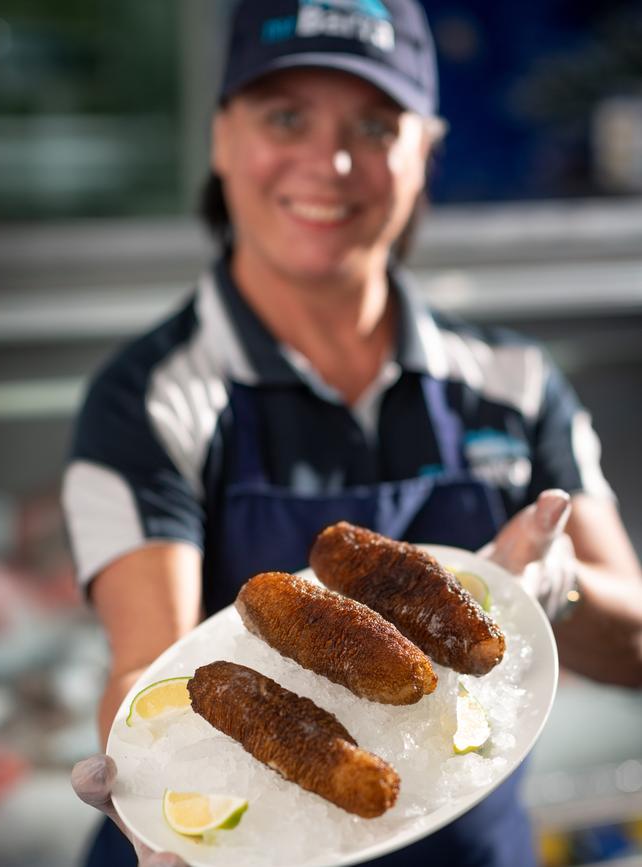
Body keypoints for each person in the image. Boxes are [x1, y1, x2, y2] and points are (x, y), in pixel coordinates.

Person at [63, 1, 642, 865]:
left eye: (375, 124)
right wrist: (150, 805)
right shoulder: (149, 397)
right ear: (221, 139)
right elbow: (147, 666)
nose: (329, 163)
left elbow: (636, 649)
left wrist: (555, 593)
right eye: (285, 116)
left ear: (425, 151)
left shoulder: (514, 381)